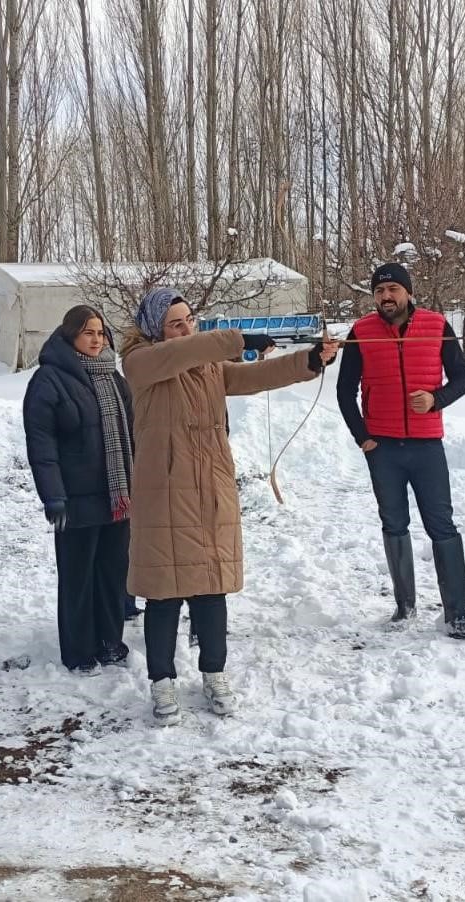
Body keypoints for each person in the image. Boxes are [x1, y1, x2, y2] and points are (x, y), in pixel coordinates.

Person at [121, 288, 338, 724]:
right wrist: (237, 339)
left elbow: (254, 377)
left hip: (210, 488)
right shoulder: (140, 362)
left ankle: (214, 674)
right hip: (164, 492)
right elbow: (185, 353)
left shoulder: (207, 366)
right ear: (153, 330)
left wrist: (309, 362)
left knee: (211, 587)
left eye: (190, 320)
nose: (186, 329)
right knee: (164, 594)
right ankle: (162, 683)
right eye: (175, 324)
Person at [336, 263, 465, 639]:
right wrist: (363, 438)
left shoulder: (436, 325)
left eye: (393, 289)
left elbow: (463, 378)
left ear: (408, 292)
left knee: (442, 525)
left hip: (427, 447)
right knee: (394, 524)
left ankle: (458, 613)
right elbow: (345, 392)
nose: (386, 297)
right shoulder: (361, 332)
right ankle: (404, 606)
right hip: (384, 448)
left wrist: (437, 399)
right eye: (379, 291)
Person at [23, 305, 134, 673]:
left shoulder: (115, 379)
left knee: (111, 572)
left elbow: (132, 436)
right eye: (89, 332)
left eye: (101, 333)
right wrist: (53, 495)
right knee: (78, 577)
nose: (97, 339)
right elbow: (42, 442)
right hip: (75, 499)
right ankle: (79, 651)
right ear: (70, 334)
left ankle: (109, 641)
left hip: (117, 497)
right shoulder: (49, 379)